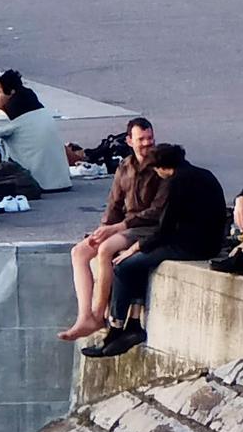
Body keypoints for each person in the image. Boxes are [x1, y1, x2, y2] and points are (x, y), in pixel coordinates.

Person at [83, 144, 227, 356]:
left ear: (162, 167)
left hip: (190, 245)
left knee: (123, 266)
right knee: (139, 264)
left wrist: (136, 247)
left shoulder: (176, 183)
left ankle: (115, 327)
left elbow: (165, 229)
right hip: (209, 242)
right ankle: (133, 323)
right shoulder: (202, 174)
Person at [59, 118, 164, 342]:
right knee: (80, 251)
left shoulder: (160, 166)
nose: (147, 143)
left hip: (147, 227)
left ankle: (98, 315)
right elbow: (114, 204)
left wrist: (116, 228)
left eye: (150, 138)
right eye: (141, 139)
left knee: (106, 249)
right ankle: (84, 316)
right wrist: (103, 228)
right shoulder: (125, 166)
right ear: (129, 141)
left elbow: (157, 211)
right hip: (124, 225)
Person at [0, 71, 71, 192]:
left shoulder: (10, 114)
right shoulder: (38, 108)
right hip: (61, 181)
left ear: (11, 92)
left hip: (33, 183)